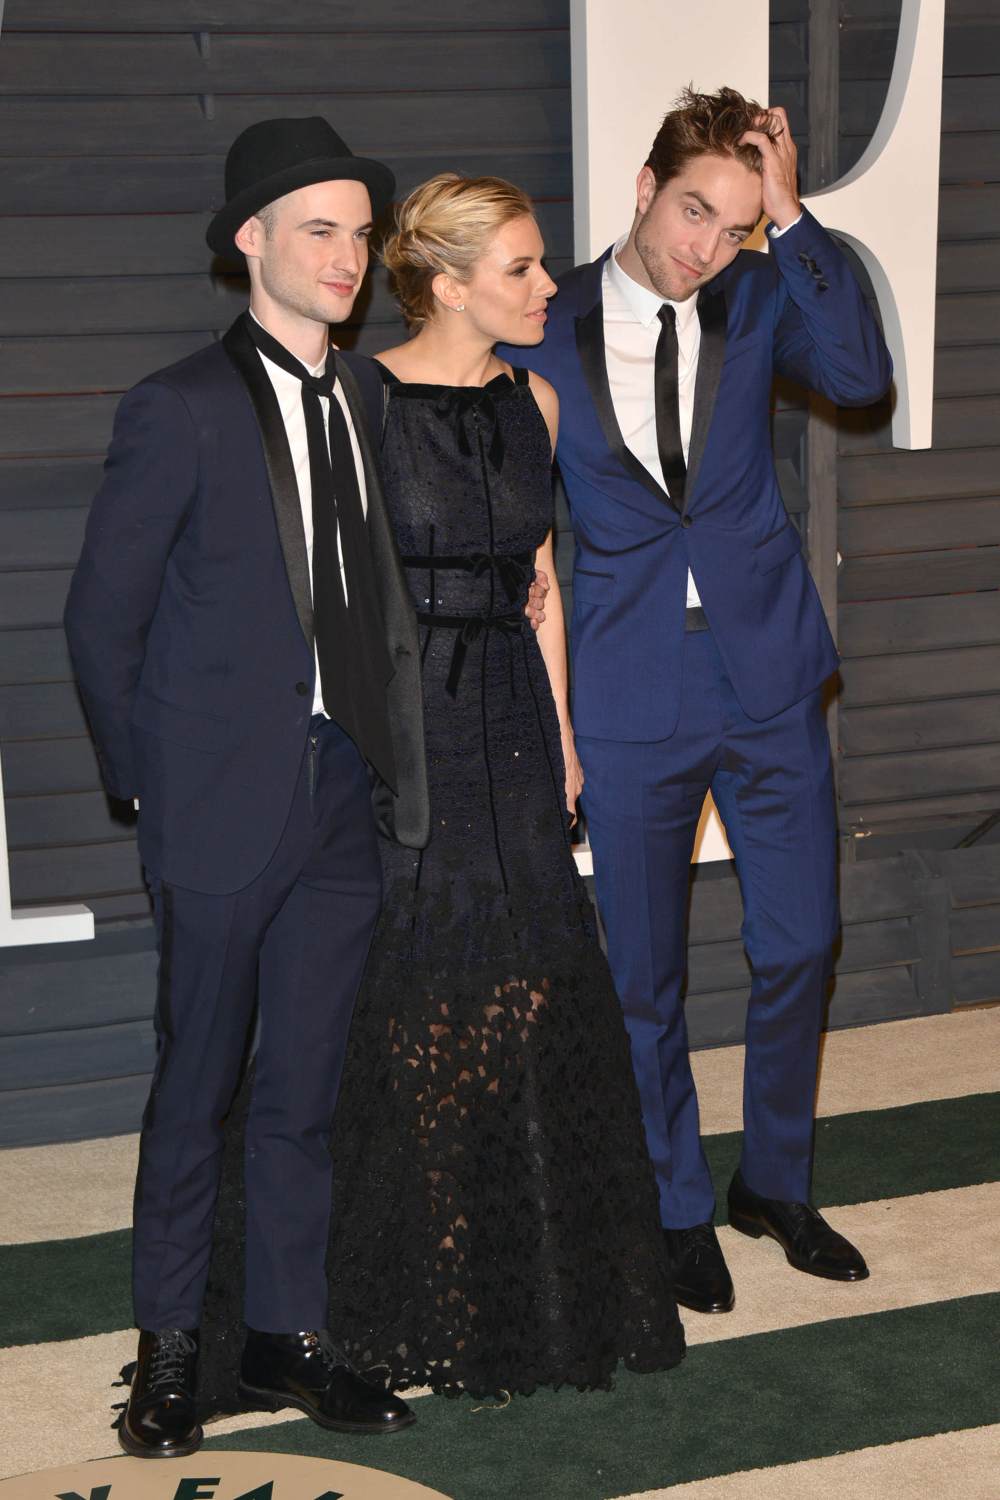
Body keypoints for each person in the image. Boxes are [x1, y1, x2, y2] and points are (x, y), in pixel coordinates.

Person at [197, 172, 685, 1407]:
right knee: (404, 1002)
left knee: (531, 988)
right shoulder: (358, 403)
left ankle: (531, 1283)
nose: (547, 285)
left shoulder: (538, 402)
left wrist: (563, 735)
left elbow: (541, 580)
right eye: (520, 268)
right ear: (449, 284)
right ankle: (370, 1288)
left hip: (514, 719)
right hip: (405, 725)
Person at [64, 116, 438, 1458]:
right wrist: (151, 789)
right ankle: (169, 1352)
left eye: (359, 234)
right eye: (318, 230)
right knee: (197, 1088)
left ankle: (288, 1336)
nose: (347, 257)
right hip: (217, 804)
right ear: (250, 241)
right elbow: (98, 621)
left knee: (306, 1091)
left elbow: (370, 597)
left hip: (343, 795)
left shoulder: (369, 398)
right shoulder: (177, 407)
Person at [502, 87, 890, 1316]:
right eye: (689, 213)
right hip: (626, 685)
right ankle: (673, 1205)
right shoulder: (542, 321)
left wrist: (792, 213)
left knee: (802, 942)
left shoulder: (761, 292)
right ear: (642, 188)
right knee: (641, 975)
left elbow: (860, 372)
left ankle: (772, 1182)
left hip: (765, 670)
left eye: (732, 225)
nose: (704, 247)